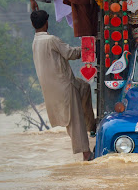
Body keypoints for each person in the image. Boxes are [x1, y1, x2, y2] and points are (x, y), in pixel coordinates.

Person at [30, 10, 96, 161]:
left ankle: (91, 126)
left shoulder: (35, 42)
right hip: (64, 85)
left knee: (85, 87)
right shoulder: (51, 39)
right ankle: (86, 154)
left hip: (52, 87)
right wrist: (88, 48)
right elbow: (70, 54)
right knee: (75, 119)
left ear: (34, 25)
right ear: (47, 23)